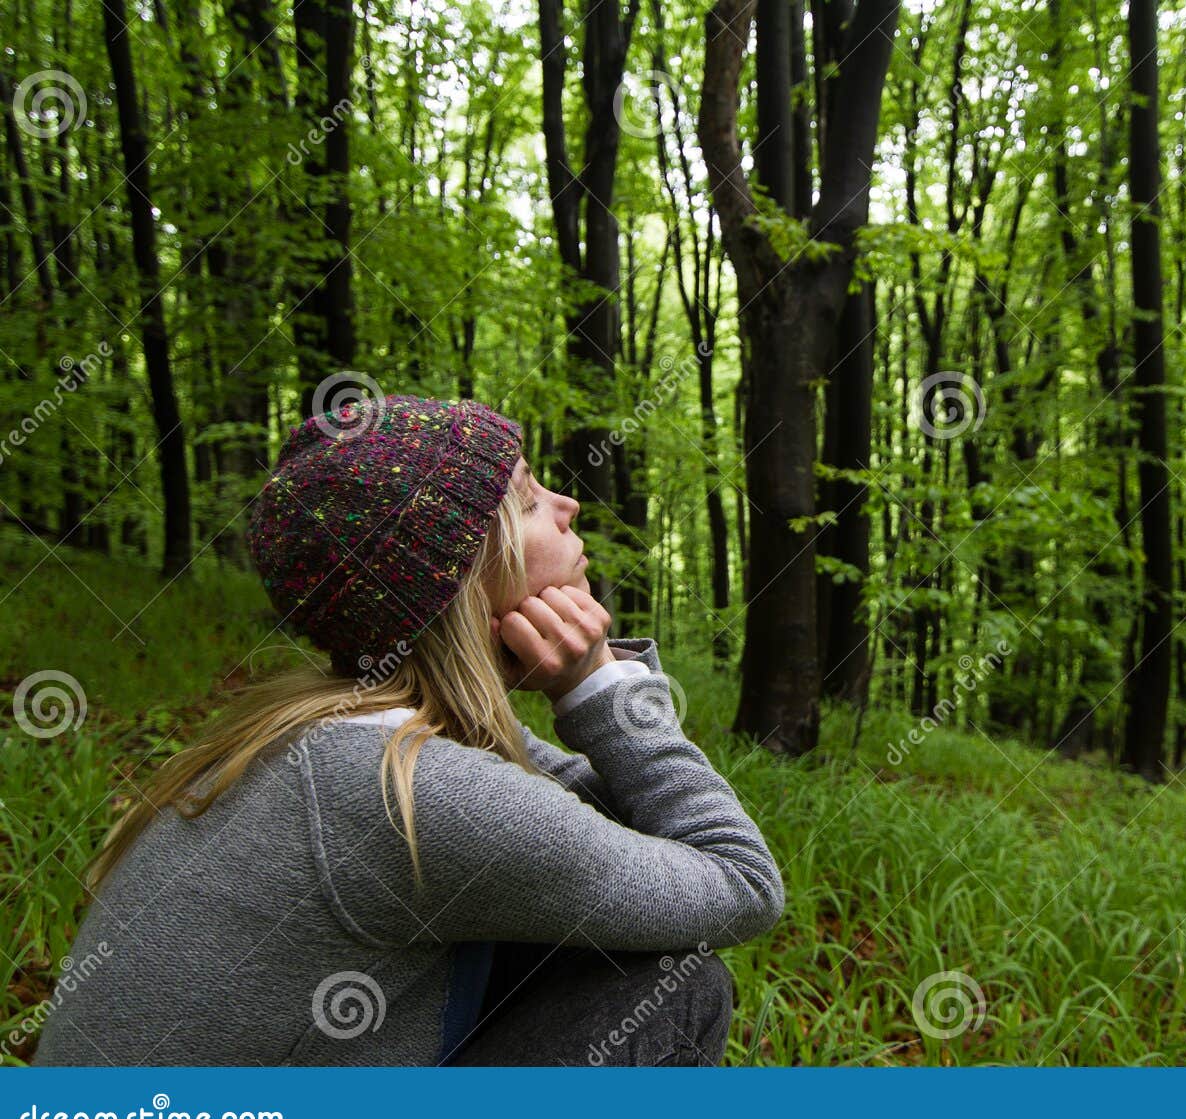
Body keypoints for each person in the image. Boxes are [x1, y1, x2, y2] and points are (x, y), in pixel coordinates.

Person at [31, 393, 784, 1066]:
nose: (568, 506)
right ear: (462, 582)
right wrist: (594, 687)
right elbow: (743, 882)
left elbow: (609, 827)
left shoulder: (343, 729)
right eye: (526, 500)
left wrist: (598, 688)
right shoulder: (420, 793)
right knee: (675, 987)